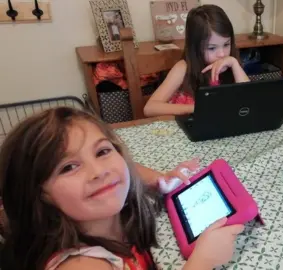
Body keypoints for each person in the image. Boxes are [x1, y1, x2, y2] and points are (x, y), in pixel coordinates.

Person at [0, 107, 244, 270]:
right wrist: (202, 262)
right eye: (68, 167)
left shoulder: (108, 215)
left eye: (102, 151)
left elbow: (127, 166)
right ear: (40, 193)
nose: (100, 171)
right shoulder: (81, 265)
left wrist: (159, 179)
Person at [143, 4, 250, 117]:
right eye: (212, 48)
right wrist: (199, 108)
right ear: (196, 47)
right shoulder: (184, 67)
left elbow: (250, 101)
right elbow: (150, 108)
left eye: (226, 44)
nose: (222, 54)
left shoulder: (231, 64)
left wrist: (234, 64)